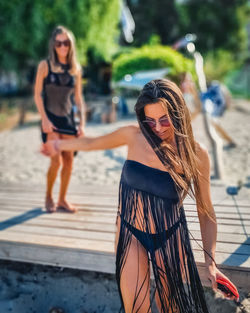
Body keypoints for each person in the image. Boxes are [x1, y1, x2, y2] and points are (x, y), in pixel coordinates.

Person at [41, 79, 237, 312]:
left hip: (170, 236)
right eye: (150, 120)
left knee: (170, 307)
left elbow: (205, 211)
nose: (158, 127)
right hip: (130, 232)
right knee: (136, 307)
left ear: (179, 113)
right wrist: (58, 145)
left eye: (164, 119)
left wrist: (211, 264)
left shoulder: (196, 154)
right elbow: (93, 142)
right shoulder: (133, 136)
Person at [34, 25, 86, 213]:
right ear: (53, 45)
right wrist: (44, 120)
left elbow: (79, 99)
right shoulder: (45, 66)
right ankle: (49, 196)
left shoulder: (75, 69)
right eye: (59, 43)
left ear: (71, 45)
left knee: (69, 162)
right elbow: (38, 95)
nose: (63, 47)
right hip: (51, 121)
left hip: (69, 122)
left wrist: (82, 123)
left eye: (66, 43)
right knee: (56, 162)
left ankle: (62, 199)